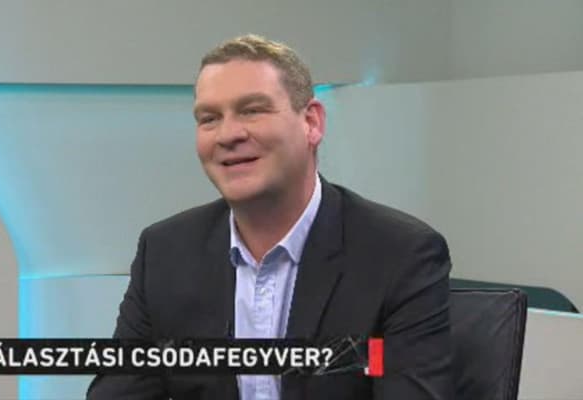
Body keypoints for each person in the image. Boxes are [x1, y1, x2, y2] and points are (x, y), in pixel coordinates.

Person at [88, 34, 453, 400]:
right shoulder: (165, 253)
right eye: (209, 118)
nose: (228, 134)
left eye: (252, 110)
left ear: (311, 122)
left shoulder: (399, 255)